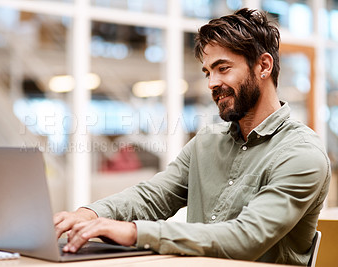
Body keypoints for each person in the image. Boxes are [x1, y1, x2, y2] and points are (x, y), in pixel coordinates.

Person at [53, 8, 331, 265]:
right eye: (208, 72)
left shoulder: (301, 153)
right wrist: (90, 214)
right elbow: (153, 197)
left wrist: (135, 232)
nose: (212, 83)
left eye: (223, 68)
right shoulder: (206, 142)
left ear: (263, 66)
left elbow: (245, 238)